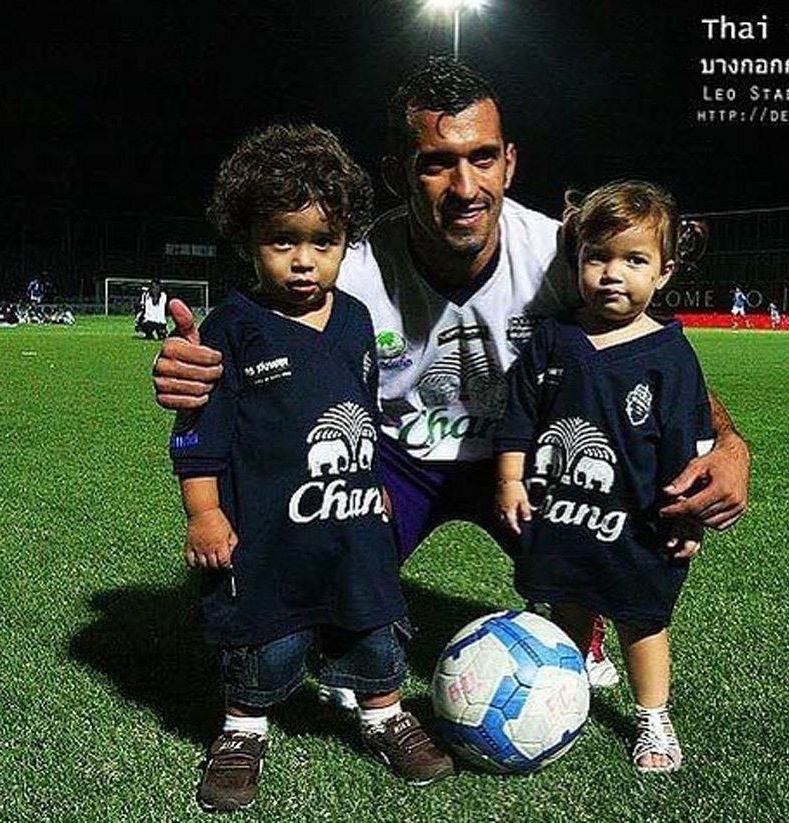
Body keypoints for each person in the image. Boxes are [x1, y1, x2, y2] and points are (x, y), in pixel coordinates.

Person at [151, 57, 751, 693]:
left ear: (509, 163)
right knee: (326, 551)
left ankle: (585, 617)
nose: (466, 186)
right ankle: (329, 626)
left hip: (521, 456)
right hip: (399, 460)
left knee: (608, 504)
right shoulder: (351, 269)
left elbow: (648, 359)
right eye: (437, 163)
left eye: (483, 158)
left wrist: (729, 444)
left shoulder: (562, 257)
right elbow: (253, 340)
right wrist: (193, 367)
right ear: (397, 174)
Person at [169, 124, 452, 812]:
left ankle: (384, 714)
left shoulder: (355, 319)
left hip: (353, 522)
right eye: (282, 241)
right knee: (263, 633)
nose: (303, 261)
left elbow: (364, 412)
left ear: (345, 239)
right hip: (266, 533)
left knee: (372, 618)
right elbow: (198, 432)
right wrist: (204, 511)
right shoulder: (233, 326)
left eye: (323, 242)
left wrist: (375, 482)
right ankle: (243, 730)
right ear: (248, 239)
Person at [495, 181, 712, 773]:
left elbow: (689, 446)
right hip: (563, 517)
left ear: (664, 273)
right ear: (577, 262)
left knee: (642, 621)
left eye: (634, 260)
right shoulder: (552, 339)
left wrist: (687, 516)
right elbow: (519, 416)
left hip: (639, 524)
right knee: (566, 608)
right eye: (598, 257)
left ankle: (652, 717)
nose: (613, 273)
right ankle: (563, 700)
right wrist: (511, 480)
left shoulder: (671, 355)